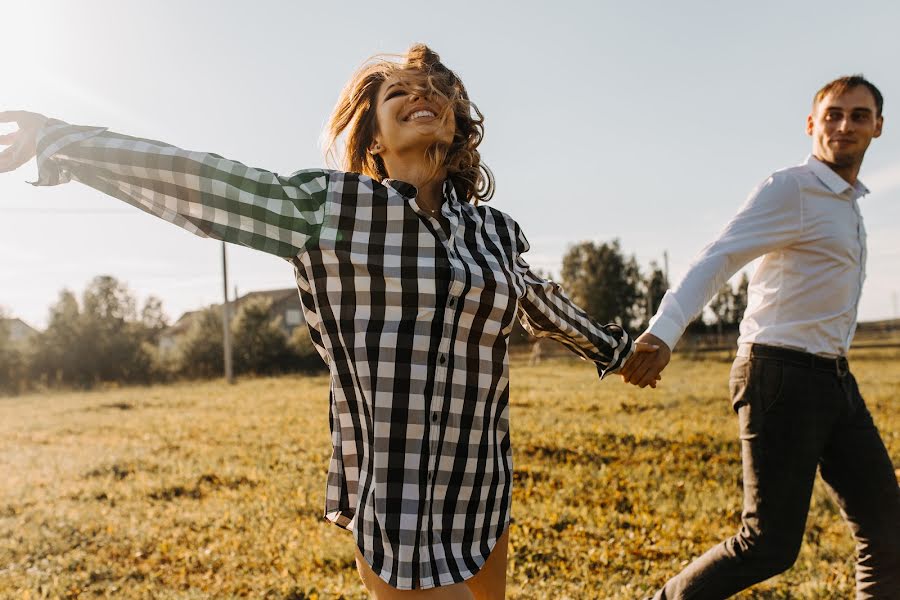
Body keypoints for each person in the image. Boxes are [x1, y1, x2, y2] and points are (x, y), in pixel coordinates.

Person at [0, 45, 657, 599]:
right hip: (394, 498)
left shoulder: (492, 232)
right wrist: (62, 139)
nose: (422, 95)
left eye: (437, 91)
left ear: (457, 129)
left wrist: (619, 350)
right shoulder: (332, 210)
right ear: (371, 133)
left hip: (481, 487)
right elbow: (207, 182)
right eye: (399, 91)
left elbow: (539, 301)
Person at [621, 75, 900, 598]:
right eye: (834, 114)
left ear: (878, 127)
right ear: (811, 124)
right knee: (769, 543)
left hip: (836, 378)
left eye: (859, 115)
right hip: (781, 372)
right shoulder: (792, 188)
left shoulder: (847, 202)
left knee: (888, 533)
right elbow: (719, 256)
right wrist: (663, 332)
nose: (845, 125)